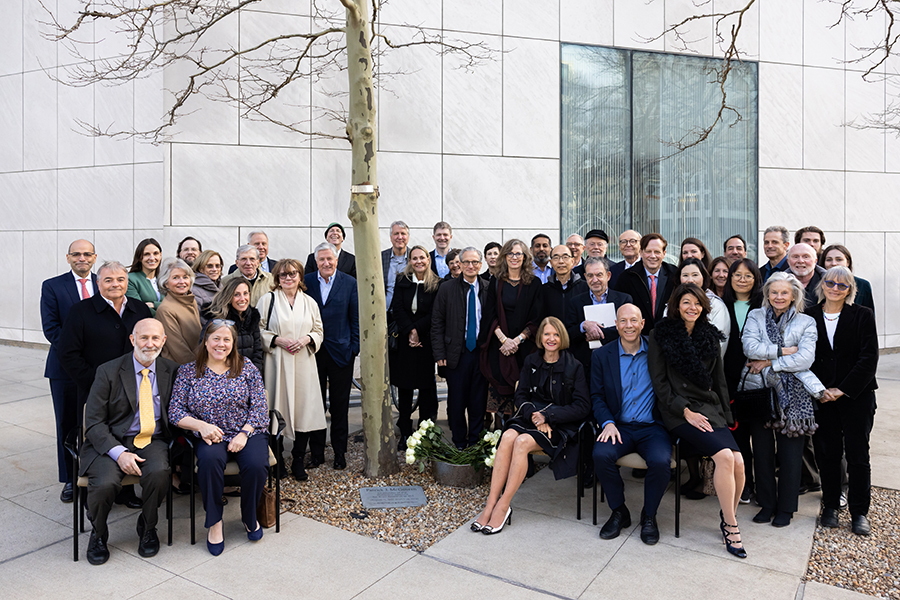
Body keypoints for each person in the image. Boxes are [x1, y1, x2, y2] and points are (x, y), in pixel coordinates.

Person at [648, 283, 747, 558]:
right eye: (686, 303)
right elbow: (660, 383)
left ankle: (728, 512)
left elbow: (720, 381)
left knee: (738, 461)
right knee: (726, 457)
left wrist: (726, 418)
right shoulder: (661, 334)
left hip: (709, 407)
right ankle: (731, 524)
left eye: (697, 303)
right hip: (677, 410)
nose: (692, 308)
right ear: (676, 306)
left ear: (704, 307)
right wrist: (685, 411)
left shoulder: (710, 337)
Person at [472, 317, 590, 535]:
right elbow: (521, 395)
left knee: (522, 442)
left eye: (555, 334)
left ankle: (503, 505)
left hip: (559, 426)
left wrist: (548, 416)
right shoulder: (531, 361)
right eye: (546, 334)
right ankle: (490, 503)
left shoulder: (574, 366)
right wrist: (535, 415)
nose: (551, 339)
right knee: (507, 436)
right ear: (540, 338)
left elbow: (582, 407)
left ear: (562, 337)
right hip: (530, 418)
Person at [169, 320, 270, 555]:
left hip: (246, 431)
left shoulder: (246, 368)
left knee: (256, 465)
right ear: (205, 341)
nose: (220, 344)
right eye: (216, 338)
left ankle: (249, 515)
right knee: (210, 462)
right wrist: (201, 426)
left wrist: (245, 433)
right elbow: (175, 411)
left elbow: (260, 407)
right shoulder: (187, 371)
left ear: (233, 344)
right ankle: (214, 522)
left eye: (226, 339)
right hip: (209, 434)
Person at [81, 319, 177, 565]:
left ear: (163, 341)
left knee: (159, 472)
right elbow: (92, 421)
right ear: (133, 339)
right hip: (111, 440)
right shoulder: (108, 371)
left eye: (156, 338)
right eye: (144, 338)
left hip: (151, 438)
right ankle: (99, 533)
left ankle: (148, 526)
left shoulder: (172, 370)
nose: (150, 343)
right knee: (104, 484)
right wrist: (119, 453)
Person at [741, 272, 825, 528]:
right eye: (774, 292)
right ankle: (767, 504)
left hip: (794, 398)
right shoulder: (755, 315)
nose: (778, 297)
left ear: (794, 296)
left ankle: (786, 509)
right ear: (767, 294)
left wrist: (768, 362)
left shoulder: (807, 322)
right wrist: (783, 351)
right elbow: (749, 348)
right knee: (763, 453)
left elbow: (805, 359)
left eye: (784, 293)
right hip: (760, 393)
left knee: (790, 456)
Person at [592, 304, 672, 545]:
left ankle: (649, 516)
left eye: (633, 320)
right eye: (623, 321)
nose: (629, 325)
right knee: (601, 454)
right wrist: (607, 422)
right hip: (619, 426)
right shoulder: (601, 356)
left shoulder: (659, 351)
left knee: (660, 461)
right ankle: (619, 511)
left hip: (652, 427)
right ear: (616, 325)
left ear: (642, 323)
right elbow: (596, 396)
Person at [808, 266, 878, 536]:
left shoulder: (862, 315)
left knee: (858, 454)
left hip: (856, 396)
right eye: (830, 283)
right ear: (821, 284)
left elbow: (868, 358)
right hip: (823, 396)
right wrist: (821, 389)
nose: (835, 288)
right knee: (828, 453)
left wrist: (842, 389)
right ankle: (830, 505)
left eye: (842, 285)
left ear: (850, 290)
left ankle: (860, 511)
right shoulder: (809, 316)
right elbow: (807, 357)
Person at [59, 261, 153, 424]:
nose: (115, 284)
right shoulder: (80, 311)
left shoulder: (141, 309)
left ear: (127, 282)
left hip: (137, 388)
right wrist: (94, 382)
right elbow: (68, 353)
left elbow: (151, 346)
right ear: (98, 283)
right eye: (108, 280)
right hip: (96, 390)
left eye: (120, 279)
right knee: (98, 437)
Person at [40, 239, 98, 503]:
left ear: (94, 257)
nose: (82, 258)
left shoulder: (104, 282)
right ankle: (69, 479)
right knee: (66, 425)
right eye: (76, 254)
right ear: (68, 258)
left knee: (96, 423)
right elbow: (52, 329)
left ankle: (96, 472)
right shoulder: (52, 286)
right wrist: (80, 351)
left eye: (87, 254)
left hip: (97, 369)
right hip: (64, 369)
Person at [257, 259, 326, 480]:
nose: (288, 278)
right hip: (277, 362)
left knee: (304, 410)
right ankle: (276, 460)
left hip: (304, 362)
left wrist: (307, 339)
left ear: (300, 277)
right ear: (277, 278)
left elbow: (319, 330)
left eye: (293, 274)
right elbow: (257, 329)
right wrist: (277, 340)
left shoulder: (309, 302)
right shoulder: (267, 300)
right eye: (283, 275)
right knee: (276, 409)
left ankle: (298, 460)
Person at [305, 243, 359, 470]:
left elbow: (355, 317)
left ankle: (339, 452)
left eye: (330, 259)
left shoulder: (349, 282)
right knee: (315, 405)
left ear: (337, 259)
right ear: (316, 261)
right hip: (313, 353)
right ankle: (316, 453)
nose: (326, 263)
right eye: (321, 260)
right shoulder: (306, 282)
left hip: (341, 353)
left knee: (339, 406)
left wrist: (354, 347)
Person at [478, 239, 544, 421]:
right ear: (504, 257)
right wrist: (504, 340)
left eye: (518, 254)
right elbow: (489, 314)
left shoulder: (535, 283)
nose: (514, 258)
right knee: (498, 401)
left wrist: (516, 341)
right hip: (499, 347)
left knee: (520, 396)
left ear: (525, 257)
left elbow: (537, 318)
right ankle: (497, 439)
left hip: (524, 348)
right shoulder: (496, 282)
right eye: (510, 254)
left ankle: (518, 434)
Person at [432, 247, 490, 448]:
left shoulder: (488, 288)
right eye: (466, 262)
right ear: (460, 264)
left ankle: (475, 441)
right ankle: (459, 441)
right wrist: (439, 353)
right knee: (456, 402)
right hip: (456, 354)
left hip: (481, 354)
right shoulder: (447, 288)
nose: (470, 266)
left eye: (475, 262)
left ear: (480, 265)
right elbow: (437, 322)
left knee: (478, 401)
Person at [721, 258, 764, 503]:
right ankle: (744, 484)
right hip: (728, 379)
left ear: (756, 279)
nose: (742, 279)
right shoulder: (721, 305)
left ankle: (762, 486)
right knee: (737, 437)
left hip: (757, 378)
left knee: (759, 437)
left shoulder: (764, 305)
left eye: (748, 275)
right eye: (737, 275)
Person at [389, 246, 440, 449]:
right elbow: (397, 308)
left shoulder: (437, 283)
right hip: (405, 342)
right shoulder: (403, 280)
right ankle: (405, 431)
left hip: (425, 342)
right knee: (405, 388)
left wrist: (417, 331)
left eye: (422, 257)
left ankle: (425, 431)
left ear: (428, 259)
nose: (418, 261)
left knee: (426, 388)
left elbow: (435, 313)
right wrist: (410, 331)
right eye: (414, 258)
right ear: (410, 260)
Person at [565, 257, 632, 375]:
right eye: (590, 276)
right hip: (585, 365)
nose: (595, 280)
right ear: (585, 277)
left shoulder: (623, 300)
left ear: (608, 275)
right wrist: (583, 326)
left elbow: (628, 329)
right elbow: (568, 335)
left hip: (617, 361)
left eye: (599, 275)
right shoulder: (575, 302)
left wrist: (597, 333)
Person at [614, 233, 677, 332]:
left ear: (664, 254)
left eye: (657, 252)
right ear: (641, 252)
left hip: (669, 335)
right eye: (648, 251)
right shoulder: (626, 277)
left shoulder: (674, 275)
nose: (653, 256)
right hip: (637, 337)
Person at [670, 258, 729, 356]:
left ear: (703, 277)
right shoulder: (672, 304)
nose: (690, 280)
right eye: (685, 275)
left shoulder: (716, 305)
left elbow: (719, 344)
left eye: (695, 275)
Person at [203, 278, 263, 373]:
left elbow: (257, 350)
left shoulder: (252, 317)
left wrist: (255, 372)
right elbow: (206, 350)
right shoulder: (217, 320)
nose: (242, 299)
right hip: (225, 375)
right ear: (229, 297)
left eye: (245, 293)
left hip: (249, 374)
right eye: (236, 295)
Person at [155, 258, 202, 365]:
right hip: (181, 368)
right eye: (175, 278)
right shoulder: (165, 309)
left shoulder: (190, 300)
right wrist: (196, 367)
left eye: (185, 277)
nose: (182, 282)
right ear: (166, 283)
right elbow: (178, 348)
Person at [818, 244, 875, 312]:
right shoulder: (817, 282)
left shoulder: (863, 285)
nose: (833, 263)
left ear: (847, 262)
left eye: (839, 259)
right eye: (829, 260)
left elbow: (869, 316)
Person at [542, 244, 586, 323]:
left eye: (565, 257)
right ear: (551, 263)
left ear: (572, 261)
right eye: (556, 257)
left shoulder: (585, 288)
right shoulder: (543, 290)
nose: (561, 261)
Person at [126, 238, 163, 316]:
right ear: (140, 257)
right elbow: (139, 308)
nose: (152, 258)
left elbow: (176, 305)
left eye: (155, 253)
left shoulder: (165, 279)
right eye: (146, 254)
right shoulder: (130, 279)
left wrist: (154, 305)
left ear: (160, 255)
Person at [787, 243, 825, 309]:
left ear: (815, 261)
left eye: (806, 257)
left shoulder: (828, 283)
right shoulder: (778, 283)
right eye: (795, 257)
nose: (800, 261)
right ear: (788, 261)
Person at [382, 220, 410, 309]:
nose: (400, 237)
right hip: (384, 313)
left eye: (403, 233)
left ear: (408, 237)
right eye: (396, 233)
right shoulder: (380, 258)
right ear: (391, 237)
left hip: (407, 314)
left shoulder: (415, 258)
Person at [192, 250, 224, 320]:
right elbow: (197, 321)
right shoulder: (194, 291)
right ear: (201, 269)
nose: (214, 269)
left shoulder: (221, 286)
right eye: (210, 266)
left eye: (217, 266)